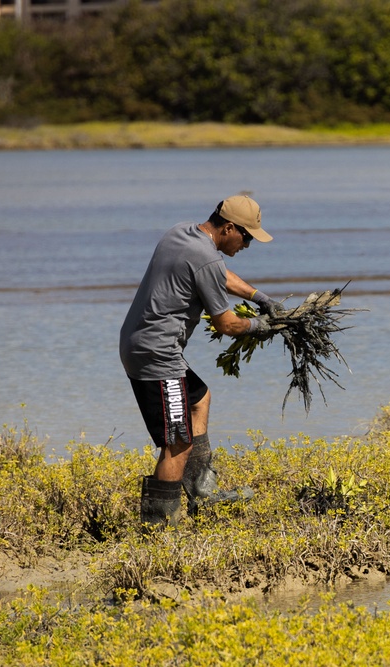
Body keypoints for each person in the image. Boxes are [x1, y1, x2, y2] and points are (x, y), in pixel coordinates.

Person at [120, 194, 284, 527]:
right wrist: (262, 326)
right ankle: (158, 527)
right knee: (177, 442)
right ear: (228, 228)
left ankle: (201, 493)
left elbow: (218, 274)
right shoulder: (204, 257)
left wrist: (261, 298)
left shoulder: (181, 233)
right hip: (158, 355)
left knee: (199, 399)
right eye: (247, 236)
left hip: (141, 343)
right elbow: (226, 324)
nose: (248, 244)